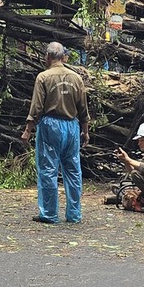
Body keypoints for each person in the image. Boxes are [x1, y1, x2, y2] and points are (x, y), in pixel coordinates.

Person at [23, 42, 89, 224]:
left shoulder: (43, 77)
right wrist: (85, 131)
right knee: (73, 170)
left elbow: (36, 107)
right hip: (72, 126)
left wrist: (28, 130)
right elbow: (83, 108)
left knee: (48, 170)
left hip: (50, 125)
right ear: (64, 57)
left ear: (48, 57)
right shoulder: (76, 78)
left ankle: (49, 214)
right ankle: (74, 214)